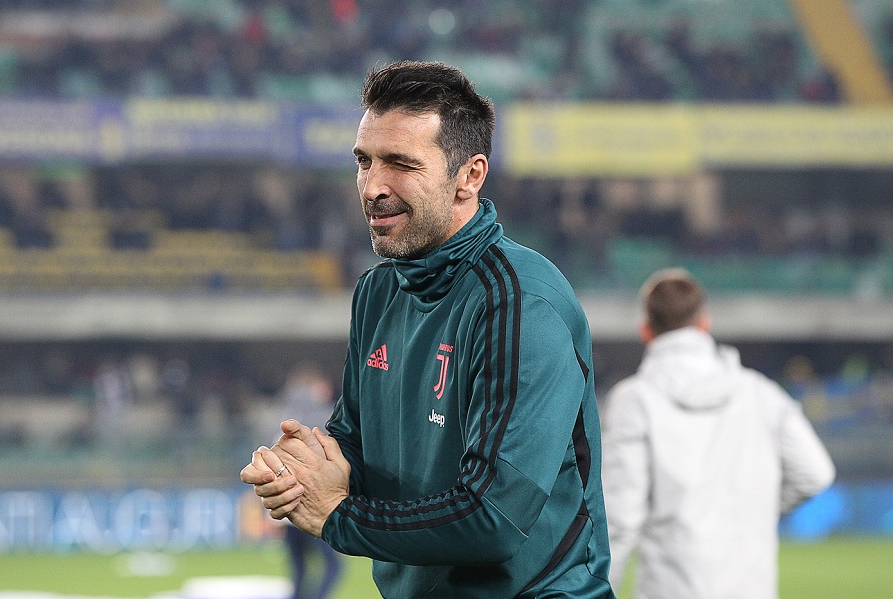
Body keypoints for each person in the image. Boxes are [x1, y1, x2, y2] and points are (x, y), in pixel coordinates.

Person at [241, 60, 615, 599]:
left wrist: (337, 516)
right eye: (364, 161)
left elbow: (492, 518)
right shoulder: (377, 291)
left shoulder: (520, 303)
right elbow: (358, 447)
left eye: (401, 164)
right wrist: (302, 470)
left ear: (470, 176)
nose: (373, 187)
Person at [600, 267, 836, 599]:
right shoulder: (762, 393)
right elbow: (816, 474)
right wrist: (753, 511)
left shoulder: (634, 400)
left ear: (646, 330)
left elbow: (619, 520)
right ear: (704, 323)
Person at [275, 364, 342, 599]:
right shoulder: (321, 417)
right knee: (333, 566)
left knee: (299, 571)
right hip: (312, 506)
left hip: (286, 509)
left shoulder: (282, 415)